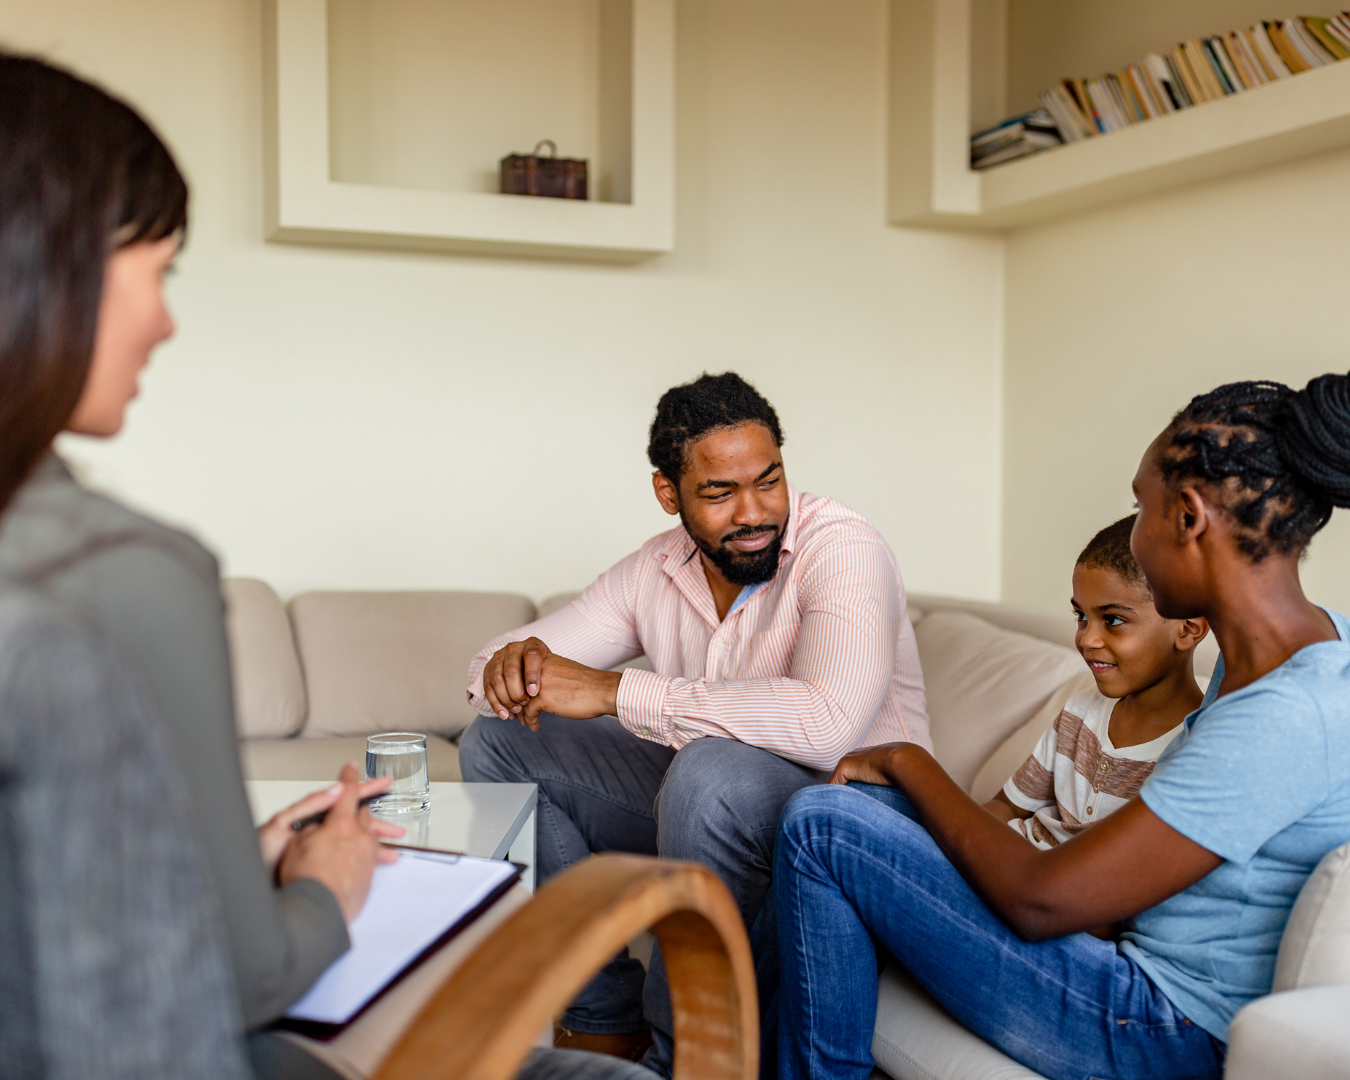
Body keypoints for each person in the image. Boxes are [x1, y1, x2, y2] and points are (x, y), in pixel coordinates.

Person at [0, 52, 653, 1080]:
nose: (165, 320)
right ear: (57, 267)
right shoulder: (128, 572)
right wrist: (327, 882)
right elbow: (251, 979)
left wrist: (232, 868)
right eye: (157, 271)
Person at [769, 373, 1350, 1080]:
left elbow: (1041, 899)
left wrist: (906, 760)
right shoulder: (1284, 653)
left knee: (824, 827)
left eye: (1139, 507)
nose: (1134, 532)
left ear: (1188, 517)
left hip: (1162, 1025)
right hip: (1134, 983)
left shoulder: (1287, 714)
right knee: (861, 809)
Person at [460, 372, 929, 1072]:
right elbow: (484, 674)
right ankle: (604, 1016)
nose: (754, 512)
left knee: (706, 769)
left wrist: (616, 691)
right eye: (719, 492)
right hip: (709, 803)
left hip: (855, 813)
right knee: (498, 743)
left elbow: (828, 724)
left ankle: (688, 1059)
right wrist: (513, 665)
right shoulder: (655, 568)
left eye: (769, 481)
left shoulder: (842, 547)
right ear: (667, 492)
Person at [987, 513, 1207, 858]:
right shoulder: (1079, 712)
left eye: (1113, 619)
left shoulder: (1195, 749)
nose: (1087, 639)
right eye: (1081, 616)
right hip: (999, 861)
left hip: (1040, 884)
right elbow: (1007, 806)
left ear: (1188, 629)